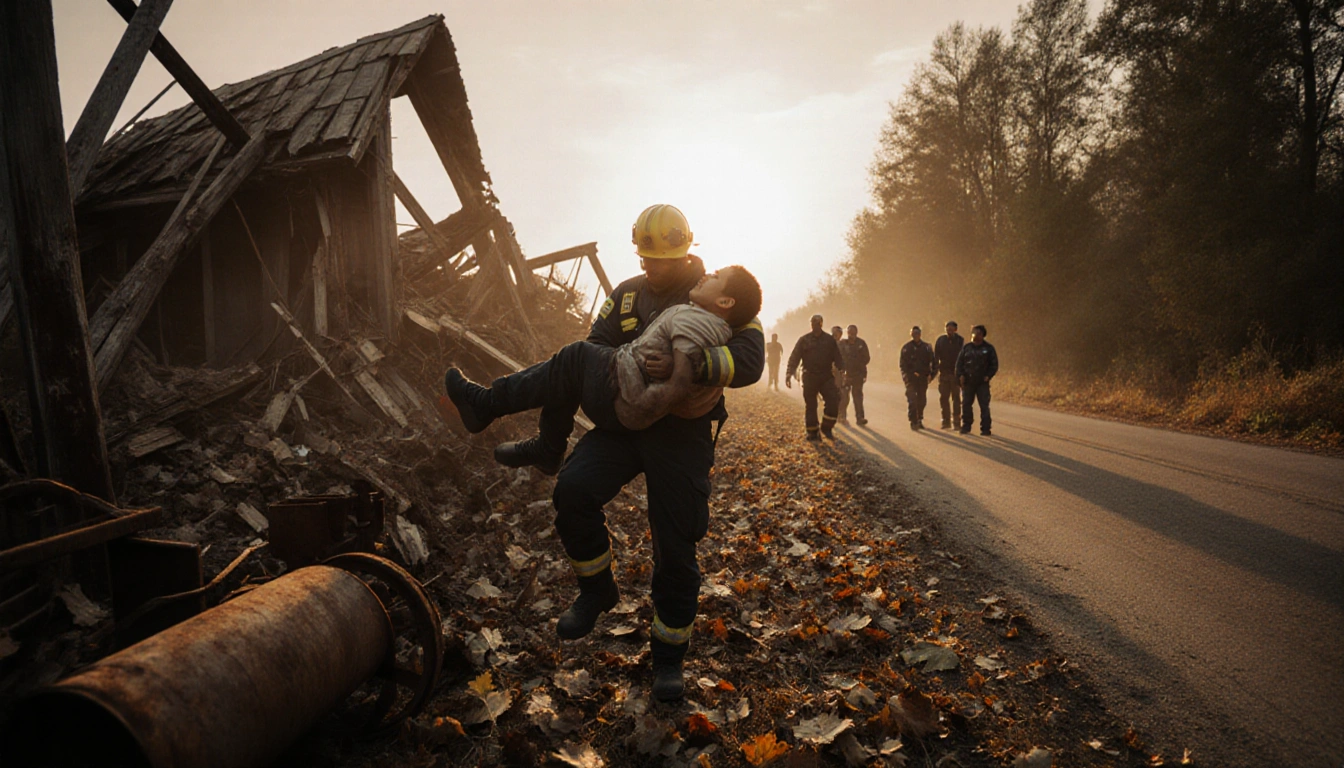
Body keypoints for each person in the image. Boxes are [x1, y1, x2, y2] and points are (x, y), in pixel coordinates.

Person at [487, 204, 763, 703]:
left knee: (675, 547)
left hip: (681, 437)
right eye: (644, 256)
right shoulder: (628, 294)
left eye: (661, 259)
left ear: (686, 253)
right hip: (623, 426)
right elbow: (597, 346)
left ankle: (668, 660)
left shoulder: (722, 292)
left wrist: (689, 364)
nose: (649, 266)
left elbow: (749, 361)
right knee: (572, 491)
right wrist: (631, 362)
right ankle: (596, 589)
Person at [444, 266, 762, 437]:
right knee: (572, 364)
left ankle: (488, 405)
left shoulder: (699, 322)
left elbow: (678, 384)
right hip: (623, 381)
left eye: (717, 278)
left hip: (624, 391)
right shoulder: (702, 317)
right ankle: (514, 423)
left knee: (575, 357)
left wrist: (641, 407)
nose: (708, 275)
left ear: (725, 302)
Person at [786, 315, 845, 440]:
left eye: (818, 323)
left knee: (833, 402)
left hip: (826, 376)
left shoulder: (829, 340)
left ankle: (826, 428)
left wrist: (842, 371)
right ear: (811, 324)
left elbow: (838, 357)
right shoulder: (804, 340)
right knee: (811, 405)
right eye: (813, 323)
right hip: (810, 376)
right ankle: (812, 432)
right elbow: (794, 357)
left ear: (821, 324)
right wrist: (789, 373)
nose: (815, 325)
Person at [956, 324, 998, 436]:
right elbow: (959, 364)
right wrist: (960, 376)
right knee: (966, 404)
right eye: (974, 332)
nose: (976, 334)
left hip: (982, 383)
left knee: (984, 406)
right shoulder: (966, 348)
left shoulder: (989, 349)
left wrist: (988, 375)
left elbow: (994, 365)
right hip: (968, 382)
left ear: (983, 335)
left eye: (979, 333)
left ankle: (985, 428)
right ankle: (966, 426)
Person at [899, 326, 935, 430]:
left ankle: (919, 419)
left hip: (923, 378)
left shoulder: (927, 347)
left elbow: (934, 362)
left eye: (917, 333)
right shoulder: (906, 348)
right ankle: (913, 421)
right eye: (914, 333)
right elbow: (903, 365)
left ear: (920, 334)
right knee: (912, 400)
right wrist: (906, 376)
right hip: (910, 378)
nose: (916, 335)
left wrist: (931, 375)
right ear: (911, 334)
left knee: (922, 400)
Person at [933, 321, 964, 430]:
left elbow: (963, 358)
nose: (949, 330)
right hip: (944, 374)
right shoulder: (940, 340)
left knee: (956, 398)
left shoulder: (960, 341)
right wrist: (934, 372)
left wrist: (962, 374)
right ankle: (945, 421)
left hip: (956, 374)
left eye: (951, 329)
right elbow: (935, 358)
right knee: (944, 398)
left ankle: (956, 421)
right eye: (947, 328)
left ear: (955, 329)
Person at [838, 325, 871, 426]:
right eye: (849, 332)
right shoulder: (842, 344)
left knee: (858, 397)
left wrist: (858, 364)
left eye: (853, 332)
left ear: (856, 332)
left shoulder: (861, 343)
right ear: (847, 333)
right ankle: (842, 416)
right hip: (845, 375)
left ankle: (860, 418)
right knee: (844, 396)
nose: (851, 334)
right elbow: (837, 357)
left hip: (858, 374)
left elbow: (867, 358)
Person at [830, 326, 850, 423]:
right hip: (829, 373)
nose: (837, 335)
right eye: (835, 333)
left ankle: (842, 415)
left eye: (839, 333)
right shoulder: (826, 343)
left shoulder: (844, 344)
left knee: (845, 395)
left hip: (841, 372)